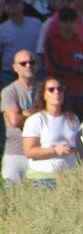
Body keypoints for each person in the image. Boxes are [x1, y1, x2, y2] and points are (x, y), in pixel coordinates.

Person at [22, 77, 80, 187]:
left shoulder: (73, 119)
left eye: (60, 89)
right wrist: (55, 150)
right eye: (51, 89)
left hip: (70, 177)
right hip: (42, 178)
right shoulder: (36, 119)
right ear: (43, 95)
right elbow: (29, 151)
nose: (56, 92)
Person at [44, 8, 83, 119]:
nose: (68, 25)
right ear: (59, 23)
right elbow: (54, 66)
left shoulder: (80, 43)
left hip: (80, 92)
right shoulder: (52, 41)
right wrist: (75, 69)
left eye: (71, 22)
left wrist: (79, 71)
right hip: (62, 93)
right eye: (65, 22)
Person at [2, 50, 40, 184]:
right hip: (15, 153)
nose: (28, 66)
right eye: (23, 63)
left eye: (32, 62)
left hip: (39, 153)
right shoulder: (9, 91)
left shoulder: (44, 90)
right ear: (15, 68)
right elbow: (15, 120)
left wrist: (24, 113)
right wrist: (38, 113)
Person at [0, 0, 42, 86]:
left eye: (16, 3)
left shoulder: (36, 23)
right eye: (9, 4)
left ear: (22, 5)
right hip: (9, 75)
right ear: (4, 8)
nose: (12, 6)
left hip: (36, 72)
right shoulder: (1, 29)